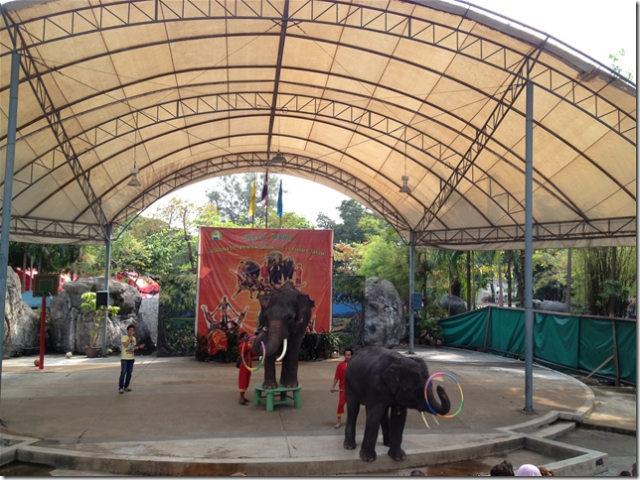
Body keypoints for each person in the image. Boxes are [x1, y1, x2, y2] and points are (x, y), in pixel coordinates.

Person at [330, 348, 353, 428]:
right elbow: (337, 377)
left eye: (349, 355)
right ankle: (339, 421)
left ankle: (350, 421)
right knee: (341, 404)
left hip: (353, 390)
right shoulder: (340, 365)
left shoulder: (355, 366)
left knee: (351, 406)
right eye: (346, 355)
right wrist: (333, 386)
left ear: (351, 356)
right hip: (343, 388)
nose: (347, 357)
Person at [119, 324, 145, 394]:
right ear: (127, 331)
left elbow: (133, 347)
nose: (131, 332)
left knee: (129, 373)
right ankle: (121, 387)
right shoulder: (124, 337)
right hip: (124, 358)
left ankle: (126, 386)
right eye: (130, 330)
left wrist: (139, 347)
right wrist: (130, 337)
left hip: (131, 358)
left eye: (133, 330)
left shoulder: (134, 338)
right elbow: (125, 345)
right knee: (123, 373)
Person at [238, 332, 257, 405]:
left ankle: (243, 397)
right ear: (242, 338)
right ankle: (241, 398)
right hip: (243, 366)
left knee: (246, 381)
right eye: (245, 336)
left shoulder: (247, 346)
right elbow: (246, 347)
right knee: (242, 381)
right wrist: (252, 343)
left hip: (248, 366)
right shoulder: (242, 346)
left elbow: (253, 354)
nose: (247, 337)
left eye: (247, 336)